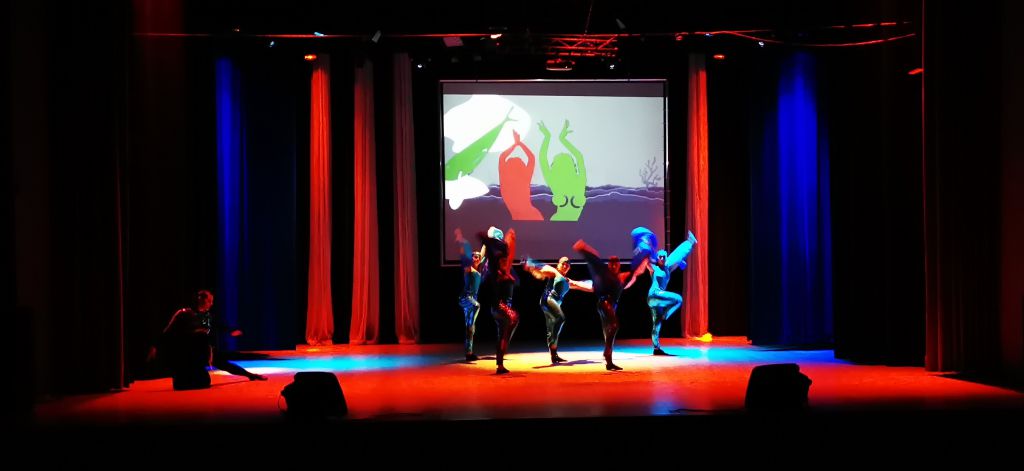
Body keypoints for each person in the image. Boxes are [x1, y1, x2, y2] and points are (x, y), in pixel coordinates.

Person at [152, 290, 267, 389]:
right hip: (185, 357)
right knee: (199, 379)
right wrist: (155, 347)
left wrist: (249, 375)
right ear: (200, 300)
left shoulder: (206, 317)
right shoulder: (184, 314)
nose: (211, 304)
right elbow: (167, 333)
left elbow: (221, 359)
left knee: (205, 378)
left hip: (196, 357)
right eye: (209, 301)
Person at [572, 240, 640, 370]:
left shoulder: (621, 277)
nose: (613, 265)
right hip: (604, 303)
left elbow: (635, 271)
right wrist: (584, 249)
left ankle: (609, 362)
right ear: (609, 265)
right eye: (611, 263)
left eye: (616, 263)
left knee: (608, 332)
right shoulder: (604, 273)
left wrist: (644, 258)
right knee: (614, 326)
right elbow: (594, 260)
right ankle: (606, 352)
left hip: (611, 305)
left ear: (619, 265)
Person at [523, 256, 591, 364]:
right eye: (563, 263)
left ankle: (554, 355)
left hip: (553, 303)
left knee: (551, 328)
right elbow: (542, 268)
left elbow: (581, 285)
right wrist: (530, 264)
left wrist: (598, 287)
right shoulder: (554, 272)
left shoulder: (567, 280)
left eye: (567, 264)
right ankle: (553, 349)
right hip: (548, 300)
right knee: (560, 318)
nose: (565, 265)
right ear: (558, 265)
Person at [645, 231, 698, 355]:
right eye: (660, 257)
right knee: (678, 299)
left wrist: (681, 262)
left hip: (657, 300)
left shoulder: (667, 268)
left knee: (656, 324)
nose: (662, 259)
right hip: (654, 295)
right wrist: (645, 245)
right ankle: (666, 315)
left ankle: (656, 348)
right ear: (657, 258)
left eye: (664, 257)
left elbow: (678, 257)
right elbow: (647, 262)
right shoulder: (654, 268)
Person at [478, 226, 519, 374]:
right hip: (500, 307)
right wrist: (487, 241)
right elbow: (502, 257)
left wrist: (511, 240)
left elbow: (510, 256)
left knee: (502, 333)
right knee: (513, 318)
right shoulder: (497, 275)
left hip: (501, 308)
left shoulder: (505, 271)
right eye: (502, 260)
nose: (505, 261)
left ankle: (500, 364)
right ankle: (503, 348)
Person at [455, 228, 485, 362]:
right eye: (474, 256)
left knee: (470, 327)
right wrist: (462, 241)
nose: (476, 257)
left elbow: (483, 253)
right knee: (477, 306)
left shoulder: (478, 269)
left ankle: (469, 352)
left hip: (472, 299)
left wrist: (487, 241)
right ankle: (470, 329)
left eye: (478, 256)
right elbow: (465, 258)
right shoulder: (469, 269)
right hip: (466, 299)